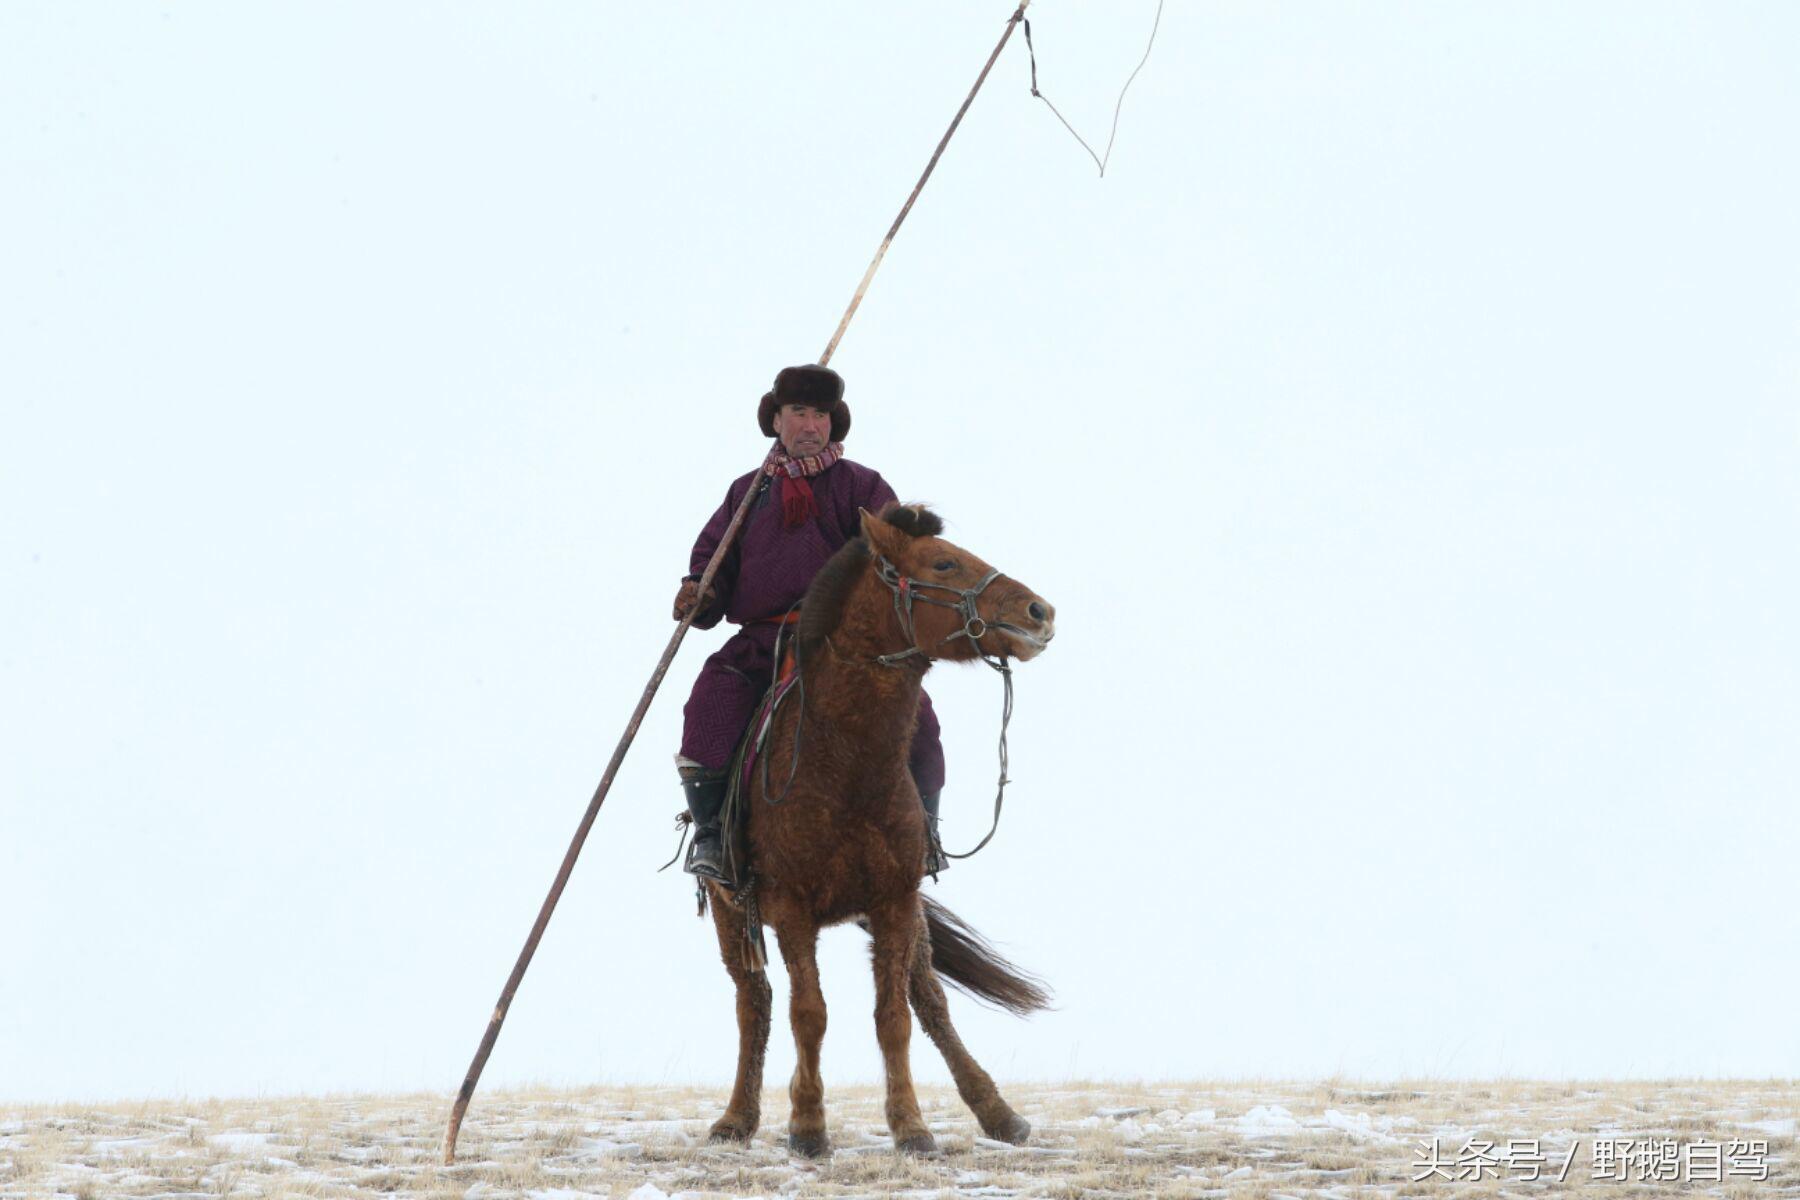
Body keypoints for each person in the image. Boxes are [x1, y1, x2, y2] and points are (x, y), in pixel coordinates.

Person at [674, 363, 948, 881]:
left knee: (918, 718)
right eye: (798, 412)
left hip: (843, 642)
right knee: (709, 704)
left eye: (820, 414)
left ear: (833, 421)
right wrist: (698, 593)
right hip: (761, 642)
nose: (810, 425)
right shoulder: (745, 494)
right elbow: (713, 563)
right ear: (776, 420)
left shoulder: (862, 486)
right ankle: (713, 836)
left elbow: (894, 559)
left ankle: (925, 833)